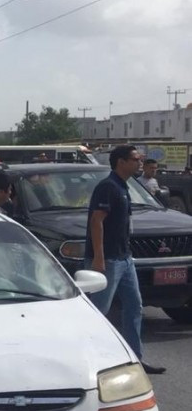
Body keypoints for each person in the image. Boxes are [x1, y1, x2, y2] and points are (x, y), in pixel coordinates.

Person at [86, 145, 165, 375]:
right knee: (98, 311)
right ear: (121, 162)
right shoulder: (107, 187)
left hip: (125, 258)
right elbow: (96, 221)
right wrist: (99, 258)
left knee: (134, 307)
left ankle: (134, 358)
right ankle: (92, 360)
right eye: (135, 159)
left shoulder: (124, 186)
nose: (140, 162)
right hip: (108, 260)